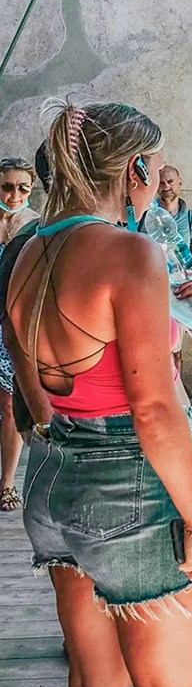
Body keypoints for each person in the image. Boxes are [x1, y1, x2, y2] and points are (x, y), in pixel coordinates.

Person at [5, 99, 192, 687]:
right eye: (149, 168)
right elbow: (154, 411)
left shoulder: (24, 249)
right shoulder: (130, 254)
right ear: (132, 170)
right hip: (132, 488)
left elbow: (30, 397)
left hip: (54, 477)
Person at [0, 156, 40, 512]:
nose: (14, 194)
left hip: (11, 326)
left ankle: (7, 482)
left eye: (22, 187)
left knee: (10, 404)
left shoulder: (35, 226)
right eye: (7, 186)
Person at [153, 164, 192, 299]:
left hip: (183, 294)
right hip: (152, 291)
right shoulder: (144, 217)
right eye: (161, 183)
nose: (166, 187)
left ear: (180, 183)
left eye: (170, 182)